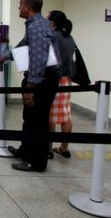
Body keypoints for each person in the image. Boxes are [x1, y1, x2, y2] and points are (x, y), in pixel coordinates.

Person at [0, 0, 60, 172]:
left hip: (41, 80)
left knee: (38, 120)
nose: (18, 8)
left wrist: (30, 87)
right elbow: (23, 47)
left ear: (28, 7)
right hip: (38, 78)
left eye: (20, 4)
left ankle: (35, 161)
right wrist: (4, 58)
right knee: (29, 117)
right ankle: (25, 150)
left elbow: (38, 58)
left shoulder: (37, 27)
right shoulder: (34, 25)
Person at [47, 10, 76, 159]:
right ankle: (64, 148)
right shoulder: (69, 37)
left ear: (52, 23)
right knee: (65, 115)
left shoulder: (52, 37)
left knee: (50, 116)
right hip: (67, 80)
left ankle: (48, 150)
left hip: (54, 79)